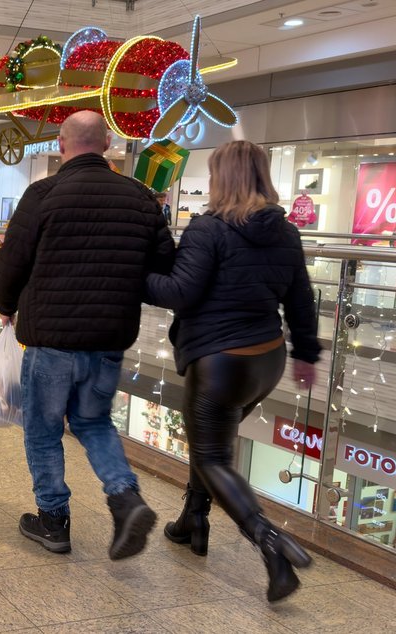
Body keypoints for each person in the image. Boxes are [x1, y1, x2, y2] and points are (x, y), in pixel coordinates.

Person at [0, 111, 175, 558]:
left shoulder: (43, 194)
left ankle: (53, 520)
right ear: (108, 143)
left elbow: (12, 260)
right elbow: (164, 266)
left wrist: (6, 304)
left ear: (61, 144)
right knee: (93, 422)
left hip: (51, 338)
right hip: (109, 336)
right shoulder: (141, 198)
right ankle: (125, 497)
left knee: (43, 429)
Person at [145, 140, 321, 602]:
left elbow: (179, 293)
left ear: (222, 178)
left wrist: (134, 277)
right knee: (212, 443)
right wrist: (307, 354)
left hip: (220, 360)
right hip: (267, 359)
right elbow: (301, 300)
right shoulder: (287, 232)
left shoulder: (209, 228)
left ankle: (270, 542)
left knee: (211, 457)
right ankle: (193, 520)